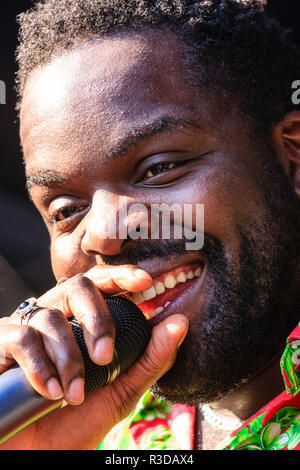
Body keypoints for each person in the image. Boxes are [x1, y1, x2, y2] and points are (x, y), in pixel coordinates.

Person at [0, 0, 300, 450]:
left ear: (292, 160)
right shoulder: (102, 430)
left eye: (158, 169)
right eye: (65, 209)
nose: (103, 234)